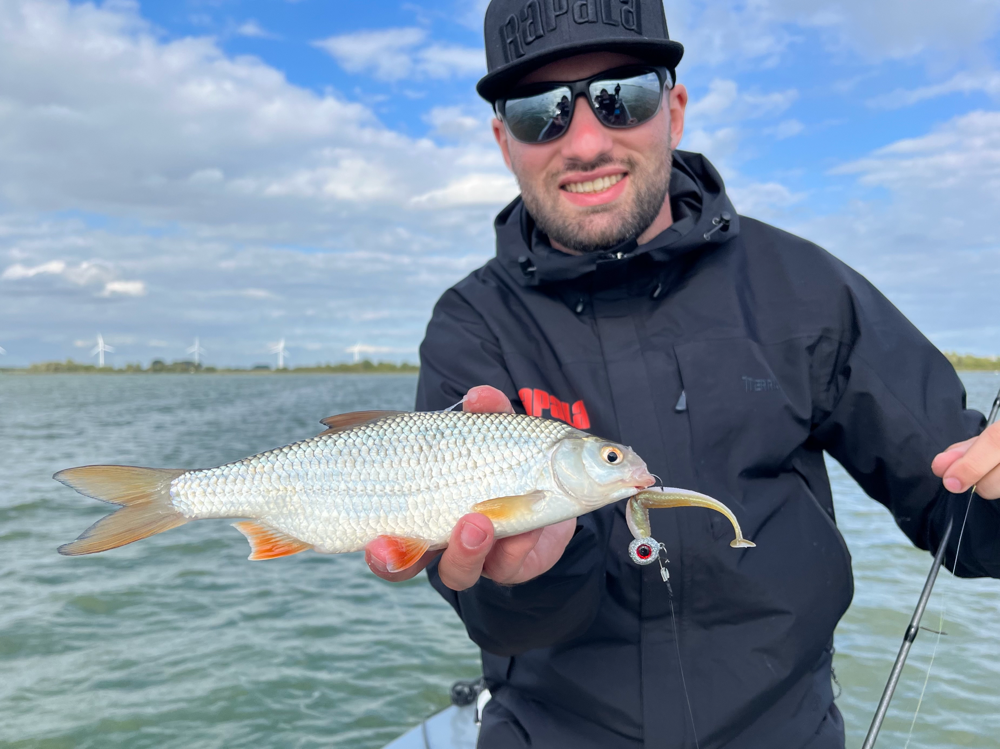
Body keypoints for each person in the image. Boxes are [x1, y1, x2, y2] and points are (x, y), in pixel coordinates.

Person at [367, 1, 1000, 747]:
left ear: (674, 108)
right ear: (505, 141)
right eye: (543, 114)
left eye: (621, 97)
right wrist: (528, 571)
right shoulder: (470, 325)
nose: (587, 140)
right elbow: (499, 613)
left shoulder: (802, 286)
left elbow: (964, 514)